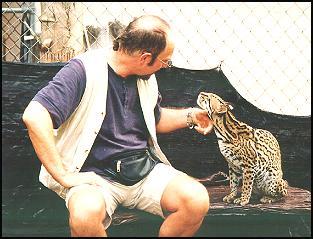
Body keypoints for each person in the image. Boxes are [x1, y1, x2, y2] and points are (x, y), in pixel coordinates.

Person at [22, 15, 214, 237]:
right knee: (85, 215)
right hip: (94, 178)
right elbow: (35, 115)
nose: (165, 67)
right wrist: (63, 176)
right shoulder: (83, 70)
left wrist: (190, 116)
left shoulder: (146, 78)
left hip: (143, 172)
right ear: (145, 58)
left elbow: (155, 119)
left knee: (196, 200)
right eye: (165, 61)